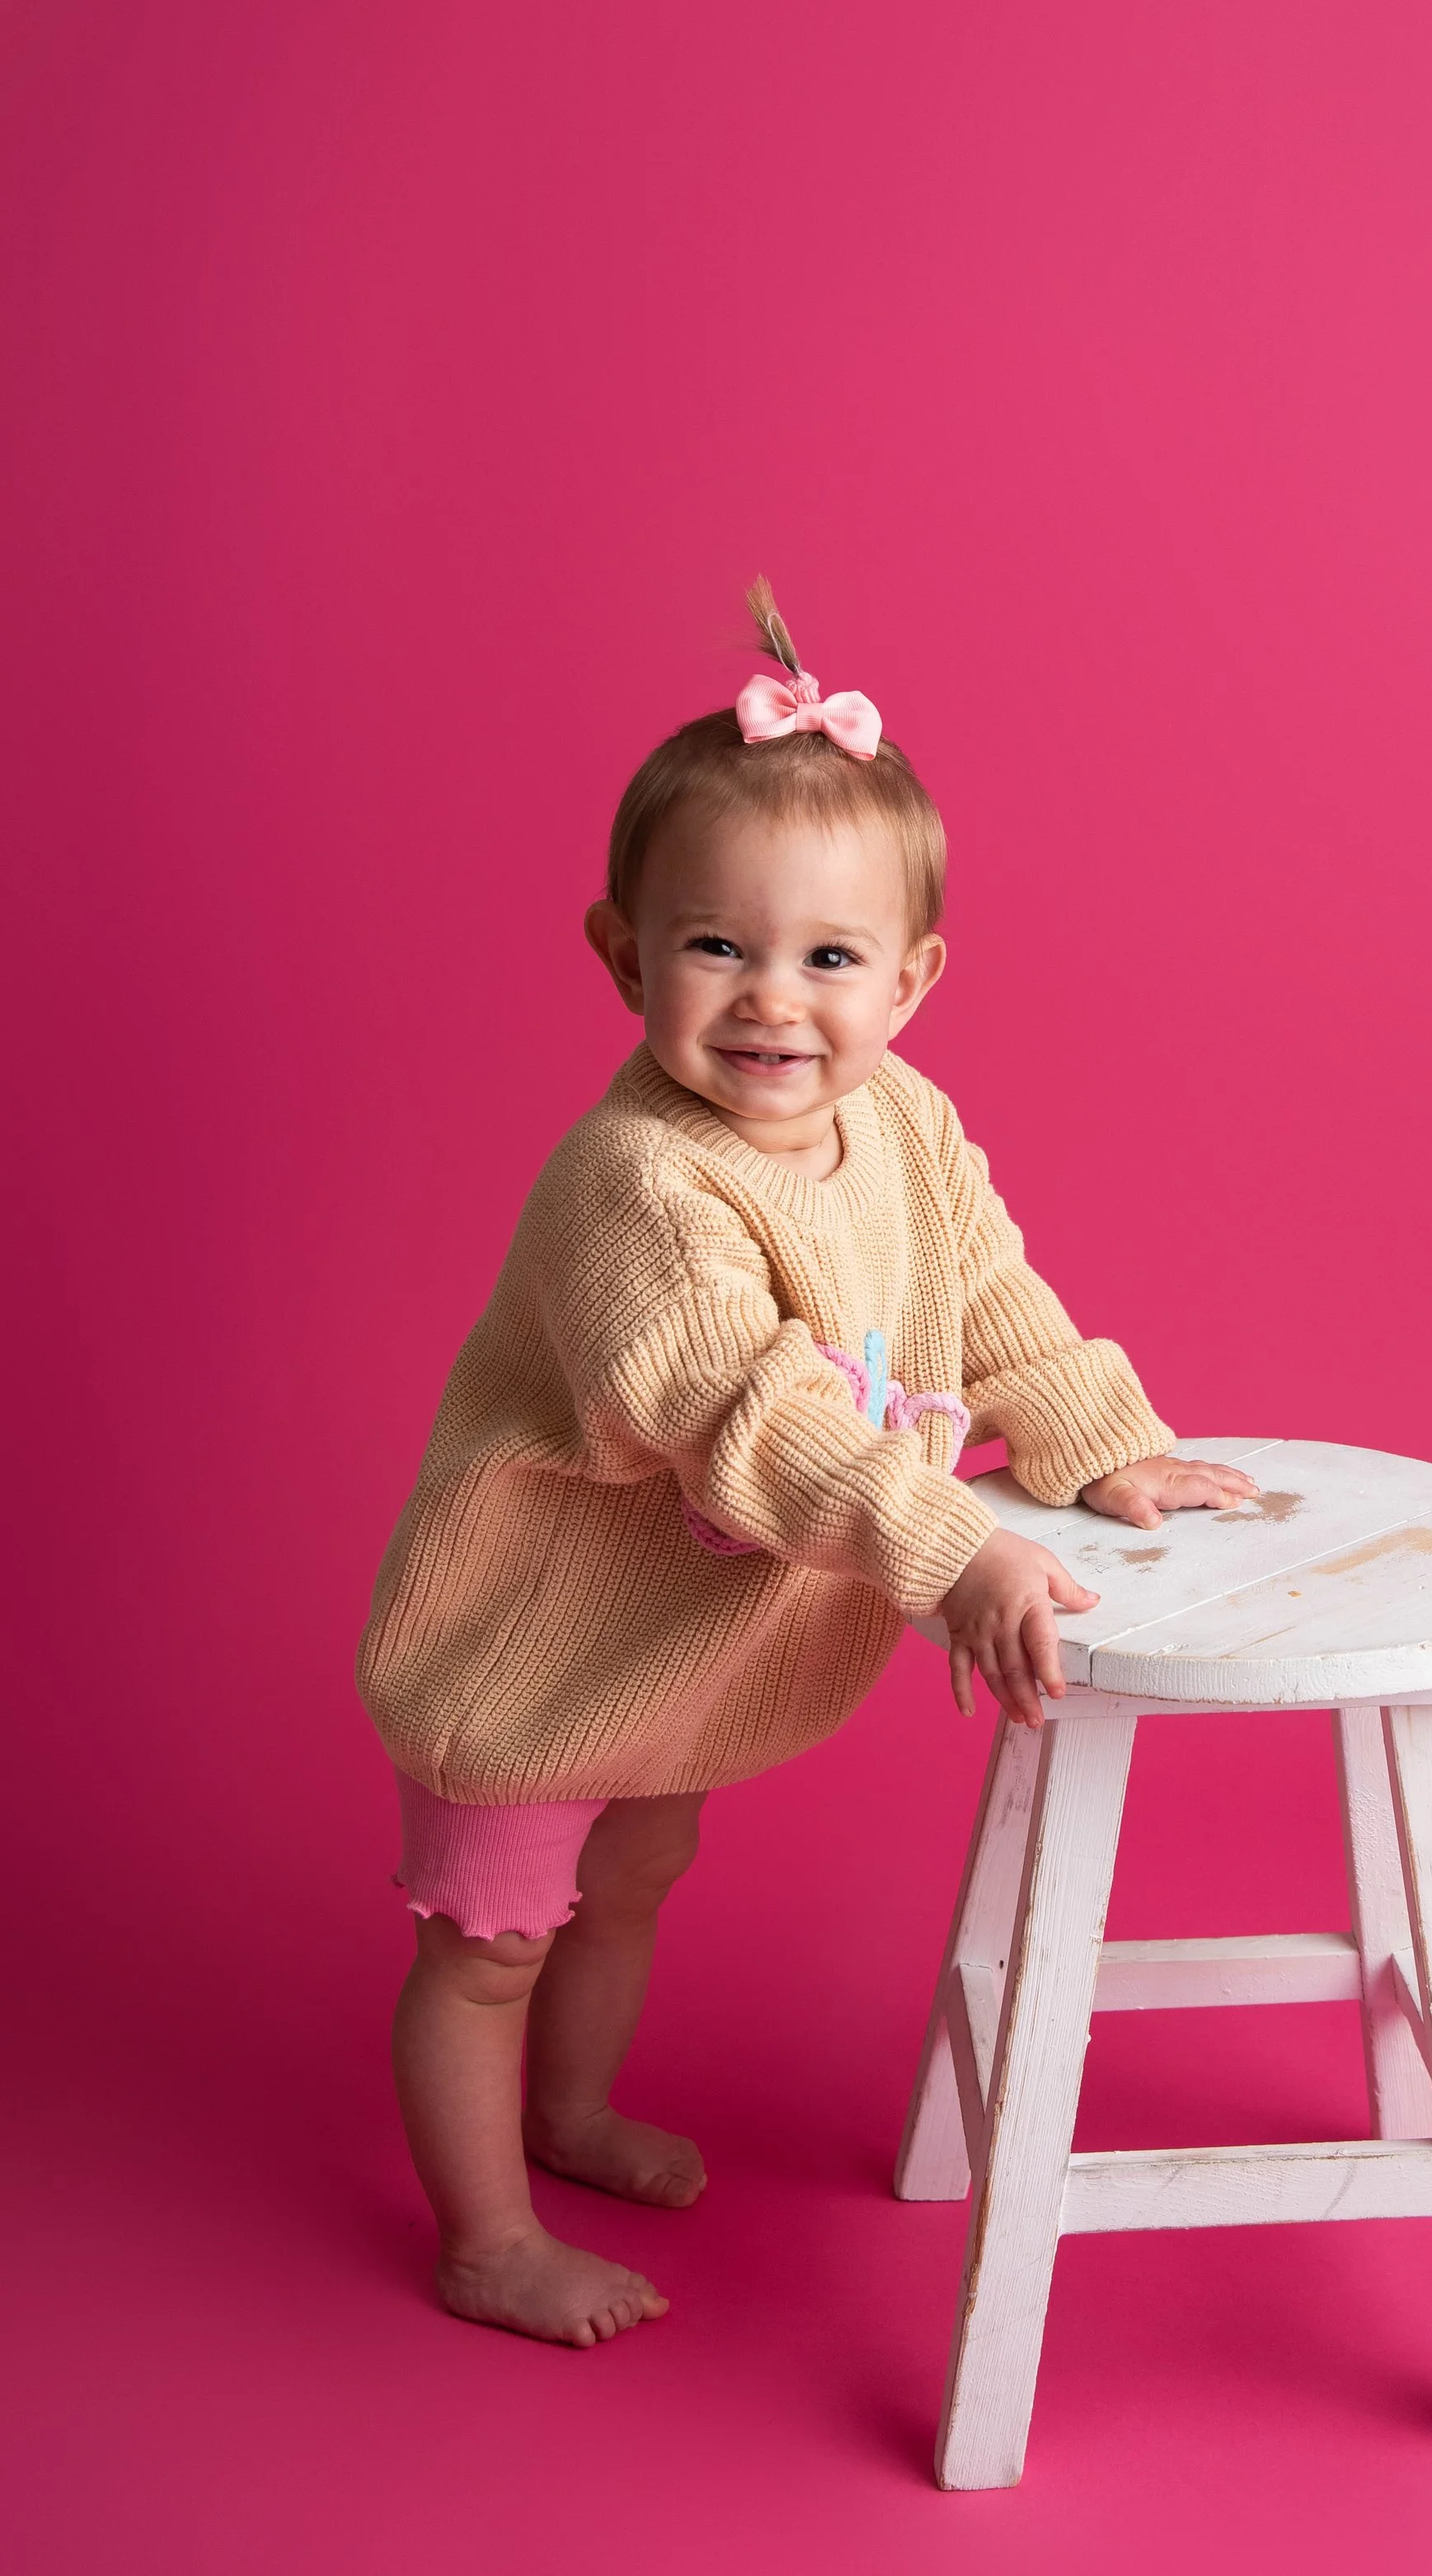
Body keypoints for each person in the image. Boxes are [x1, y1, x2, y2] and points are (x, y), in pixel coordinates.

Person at [360, 580, 1257, 2347]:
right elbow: (757, 1412)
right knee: (489, 1942)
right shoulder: (639, 1183)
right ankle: (481, 2228)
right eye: (717, 949)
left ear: (910, 980)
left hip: (674, 1639)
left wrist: (1096, 1443)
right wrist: (951, 1551)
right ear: (624, 953)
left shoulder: (901, 1121)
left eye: (829, 959)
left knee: (636, 1874)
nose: (774, 1003)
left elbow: (983, 1291)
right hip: (533, 1640)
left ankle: (574, 2112)